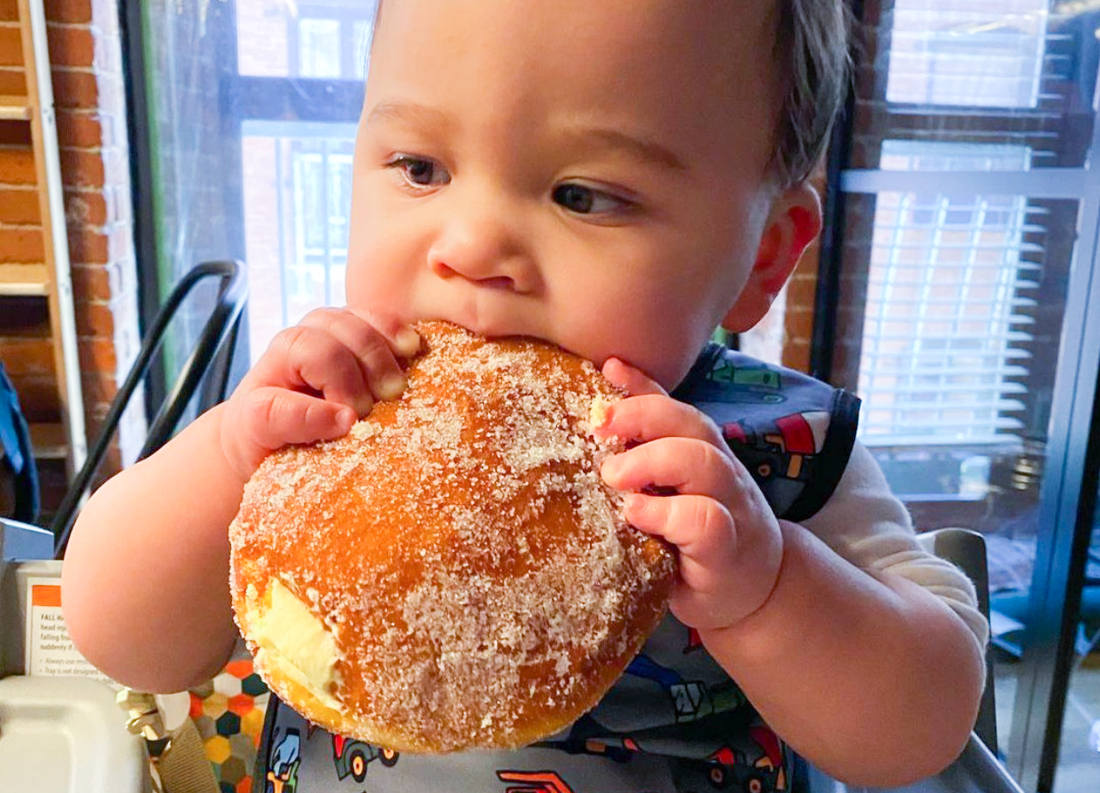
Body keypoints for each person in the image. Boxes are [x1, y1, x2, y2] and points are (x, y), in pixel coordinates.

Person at [61, 1, 988, 789]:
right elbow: (122, 640)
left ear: (765, 255)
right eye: (421, 168)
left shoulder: (775, 450)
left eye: (582, 194)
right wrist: (229, 455)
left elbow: (921, 728)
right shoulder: (329, 409)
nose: (468, 247)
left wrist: (771, 590)